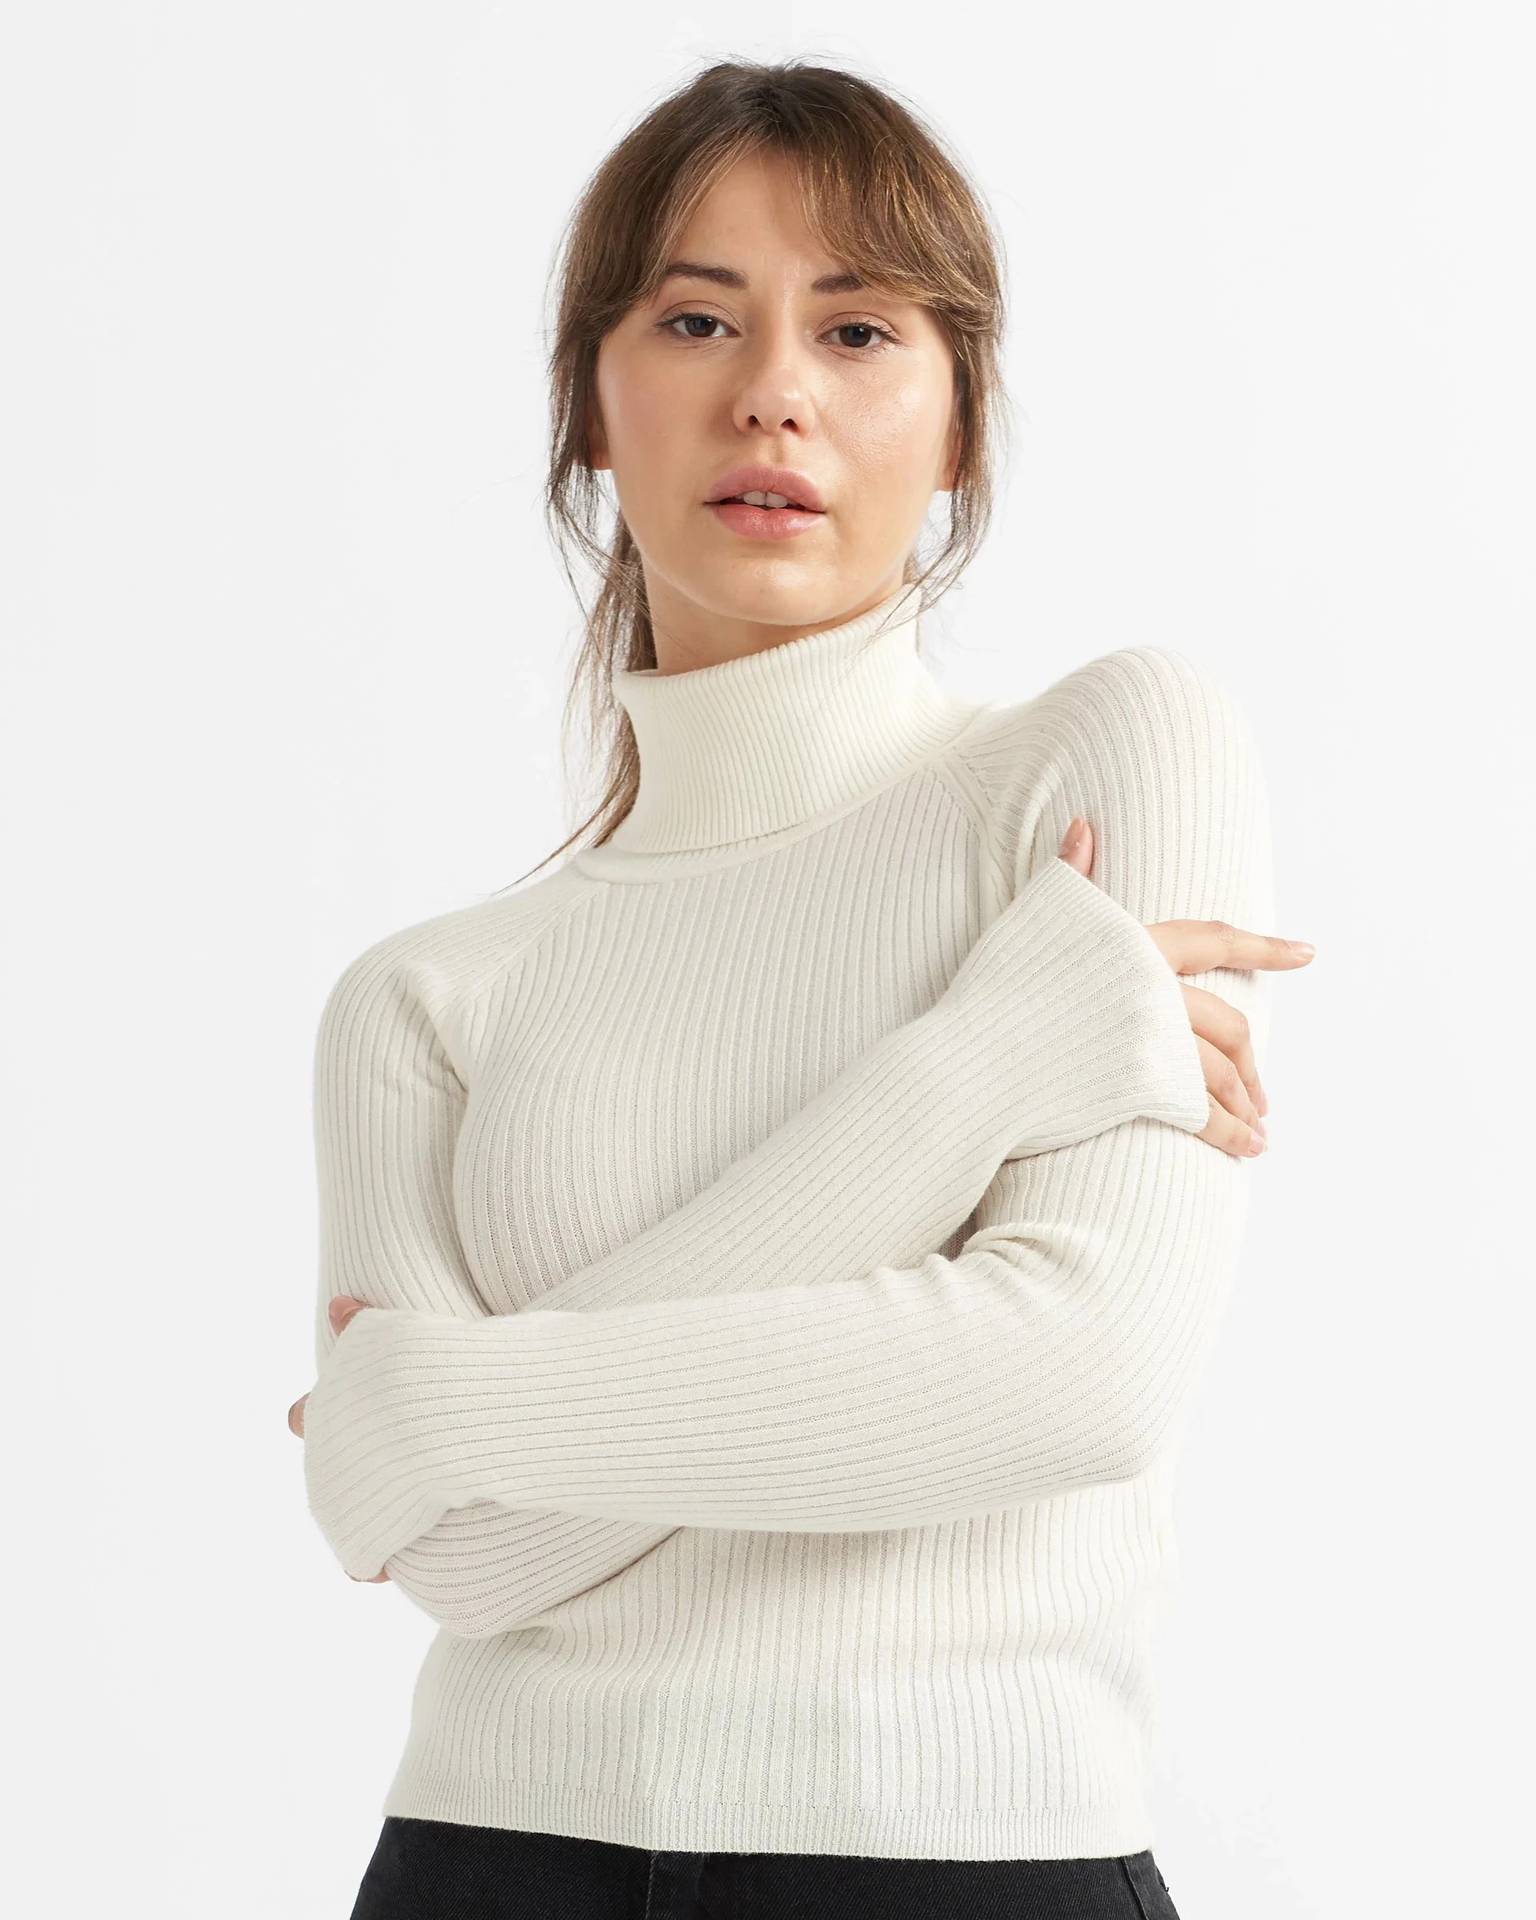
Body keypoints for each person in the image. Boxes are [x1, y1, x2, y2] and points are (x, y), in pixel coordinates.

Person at [290, 56, 1316, 1920]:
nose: (773, 387)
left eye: (858, 329)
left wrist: (433, 1405)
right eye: (697, 319)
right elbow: (466, 1561)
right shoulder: (421, 999)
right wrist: (979, 1069)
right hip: (487, 1863)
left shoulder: (1102, 765)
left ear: (963, 422)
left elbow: (1074, 1378)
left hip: (967, 1862)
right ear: (590, 406)